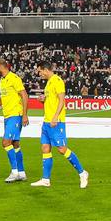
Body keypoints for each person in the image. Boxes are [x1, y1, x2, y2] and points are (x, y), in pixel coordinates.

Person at [30, 60, 89, 189]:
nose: (39, 74)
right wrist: (43, 100)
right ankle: (46, 179)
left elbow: (62, 99)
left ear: (45, 69)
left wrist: (56, 116)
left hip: (56, 122)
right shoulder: (48, 83)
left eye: (39, 71)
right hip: (47, 121)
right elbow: (52, 101)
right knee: (45, 149)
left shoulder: (57, 81)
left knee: (62, 149)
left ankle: (82, 173)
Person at [0, 58, 28, 183]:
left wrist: (25, 115)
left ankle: (14, 172)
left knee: (6, 142)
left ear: (1, 66)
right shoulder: (2, 80)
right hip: (8, 116)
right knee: (15, 144)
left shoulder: (14, 78)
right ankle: (21, 173)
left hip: (15, 115)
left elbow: (24, 95)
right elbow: (3, 97)